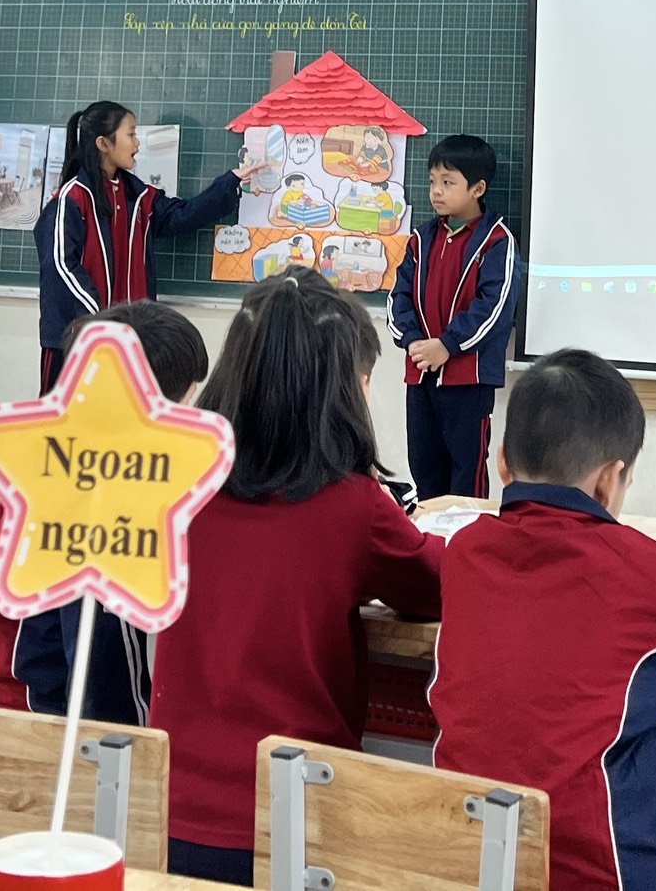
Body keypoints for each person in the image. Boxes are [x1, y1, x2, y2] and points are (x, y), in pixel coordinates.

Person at [148, 270, 443, 884]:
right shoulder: (354, 505)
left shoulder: (176, 485)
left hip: (168, 813)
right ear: (342, 392)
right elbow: (434, 585)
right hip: (299, 823)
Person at [431, 350, 656, 891]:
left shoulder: (464, 554)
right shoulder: (650, 575)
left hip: (466, 871)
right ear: (609, 481)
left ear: (502, 464)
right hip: (604, 877)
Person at [0, 300, 211, 725]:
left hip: (69, 706)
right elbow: (101, 684)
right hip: (46, 719)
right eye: (187, 404)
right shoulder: (76, 496)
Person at [35, 101, 243, 391]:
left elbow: (183, 215)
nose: (137, 143)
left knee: (122, 412)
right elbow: (60, 264)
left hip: (128, 338)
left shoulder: (138, 196)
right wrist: (101, 317)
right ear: (103, 144)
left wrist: (231, 182)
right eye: (131, 134)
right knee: (67, 413)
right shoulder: (72, 198)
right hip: (77, 339)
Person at [387, 134, 517, 501]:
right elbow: (398, 298)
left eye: (448, 182)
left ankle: (465, 536)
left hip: (468, 380)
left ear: (477, 188)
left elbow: (494, 307)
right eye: (432, 181)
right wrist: (413, 341)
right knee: (424, 468)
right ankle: (430, 536)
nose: (436, 191)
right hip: (421, 374)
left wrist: (447, 345)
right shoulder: (420, 239)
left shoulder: (496, 241)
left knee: (466, 474)